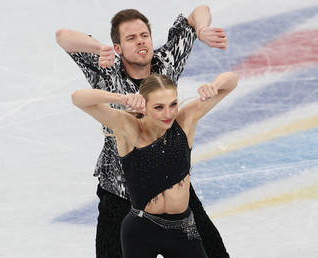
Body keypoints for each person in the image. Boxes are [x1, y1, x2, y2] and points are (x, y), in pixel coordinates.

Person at [56, 6, 229, 258]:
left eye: (144, 35)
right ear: (118, 48)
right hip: (120, 191)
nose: (140, 42)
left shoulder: (166, 62)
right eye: (131, 38)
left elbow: (199, 11)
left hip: (171, 190)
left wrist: (201, 29)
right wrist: (99, 48)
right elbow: (63, 36)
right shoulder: (108, 67)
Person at [71, 71, 238, 257]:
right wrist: (121, 99)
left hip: (183, 229)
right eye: (159, 107)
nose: (168, 113)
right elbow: (78, 98)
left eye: (173, 104)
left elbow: (231, 81)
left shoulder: (185, 121)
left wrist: (214, 86)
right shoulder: (130, 129)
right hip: (142, 230)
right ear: (144, 106)